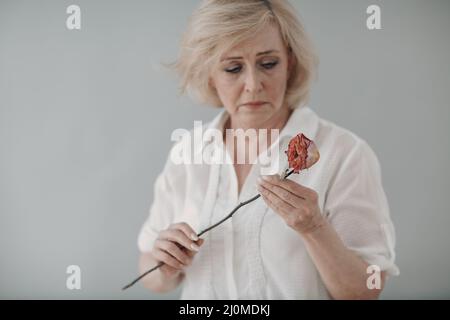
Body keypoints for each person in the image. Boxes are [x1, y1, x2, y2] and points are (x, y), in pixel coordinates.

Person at [137, 0, 399, 299]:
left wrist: (314, 228)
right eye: (233, 68)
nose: (253, 84)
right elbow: (152, 276)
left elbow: (367, 291)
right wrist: (164, 265)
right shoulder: (187, 153)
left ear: (290, 62)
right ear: (209, 73)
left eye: (268, 63)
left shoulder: (345, 153)